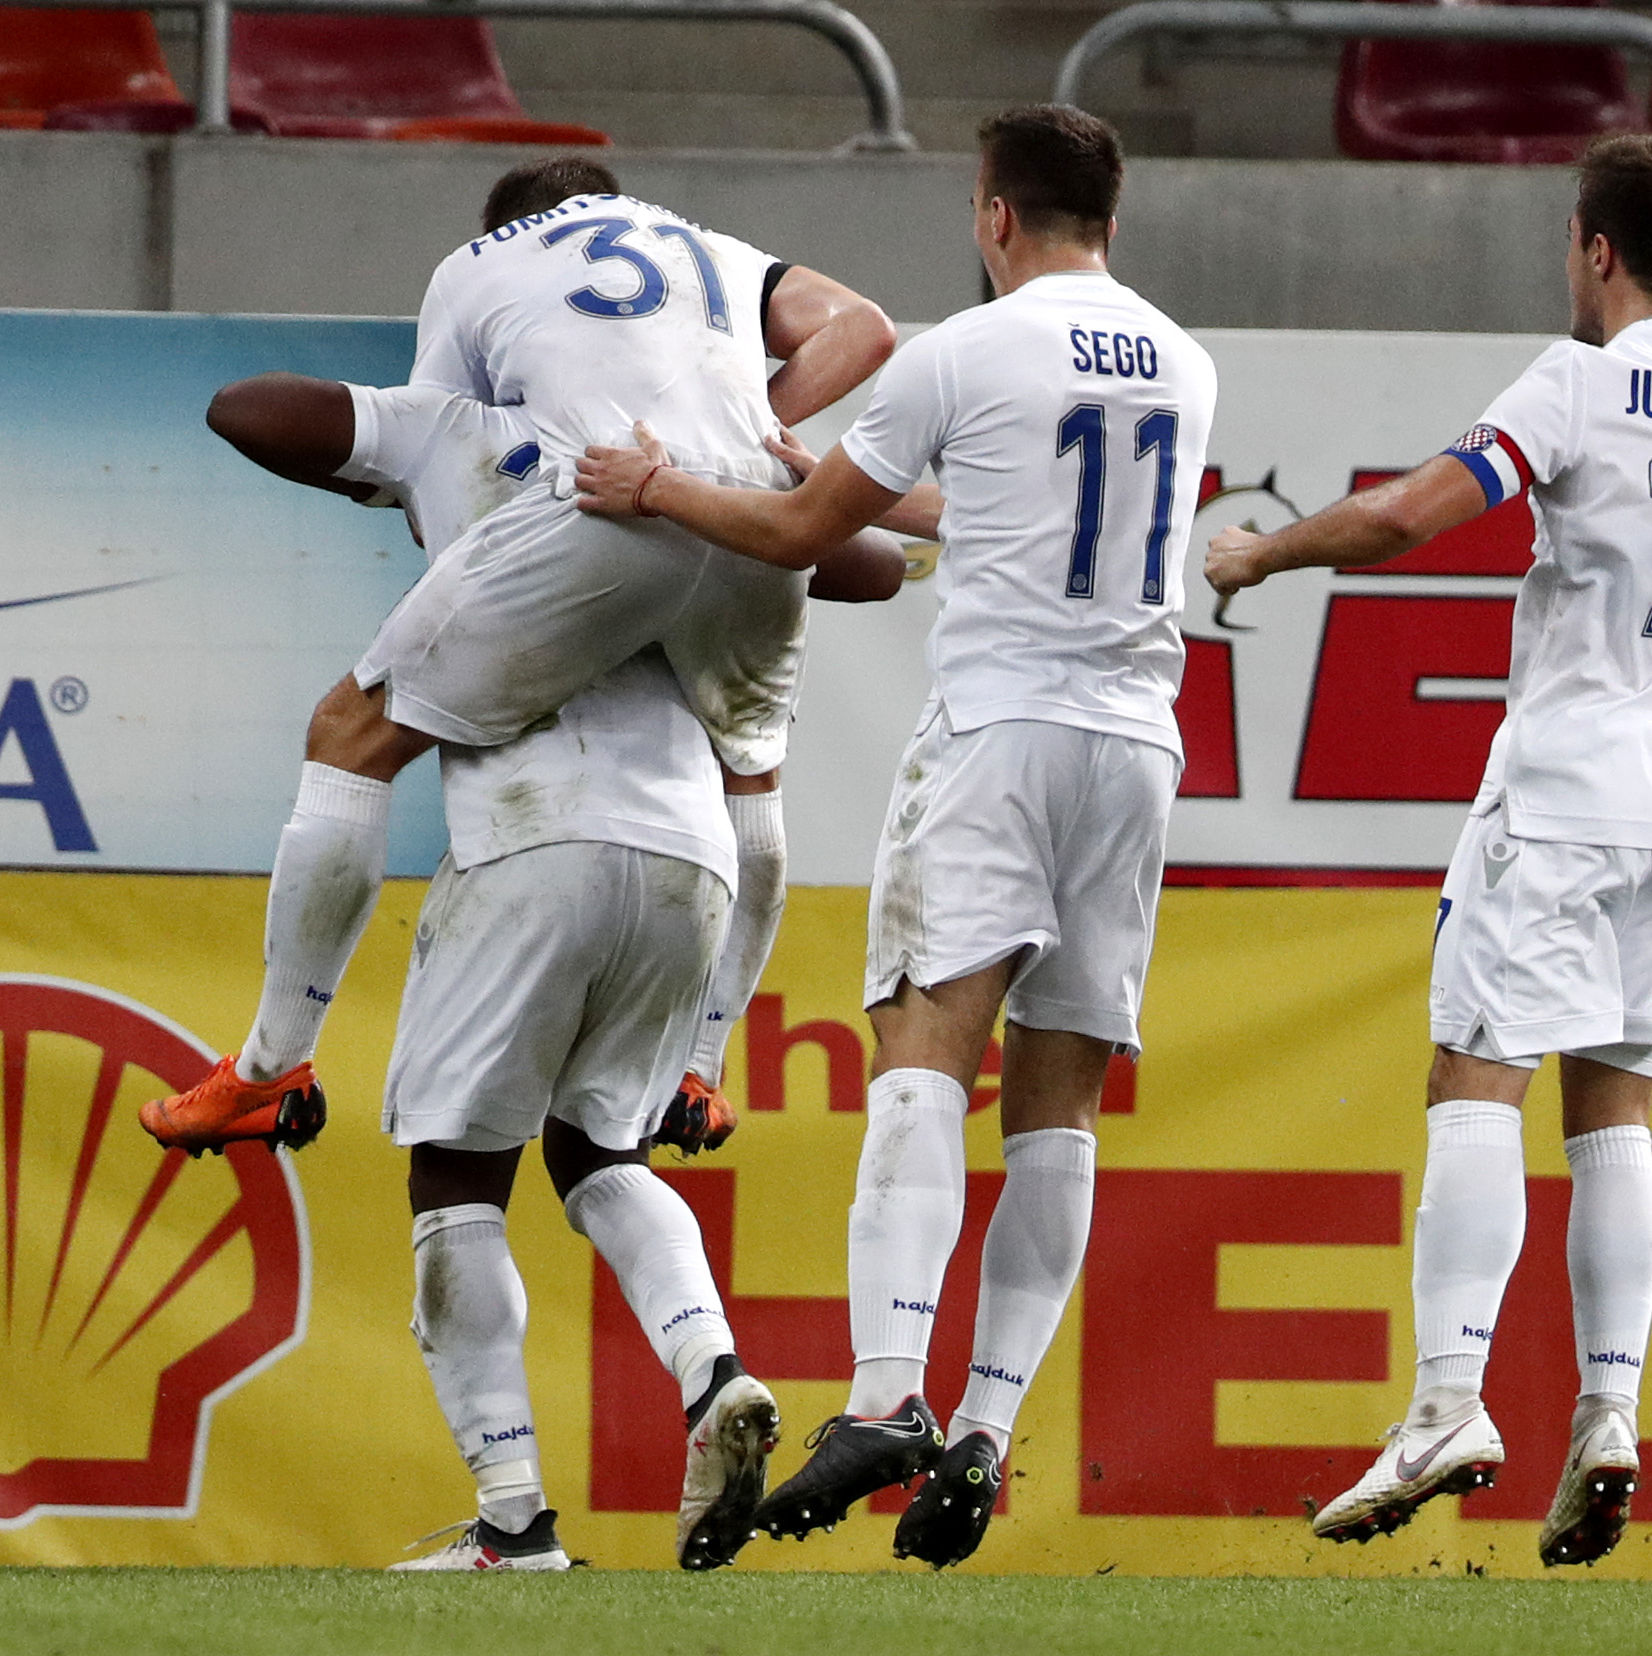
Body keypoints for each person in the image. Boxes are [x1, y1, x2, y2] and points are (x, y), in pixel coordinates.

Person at [1205, 134, 1652, 1568]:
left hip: (1570, 790)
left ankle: (1449, 1399)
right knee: (1615, 1106)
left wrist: (1258, 554)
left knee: (1476, 1076)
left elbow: (1405, 514)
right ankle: (1609, 1413)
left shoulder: (1582, 378)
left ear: (1594, 248)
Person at [577, 104, 1218, 1569]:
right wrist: (823, 473)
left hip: (1000, 732)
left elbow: (809, 536)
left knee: (926, 1045)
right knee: (1059, 1101)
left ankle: (883, 1398)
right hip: (1135, 747)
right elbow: (1008, 501)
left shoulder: (962, 350)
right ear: (1106, 220)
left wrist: (661, 485)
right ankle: (984, 1432)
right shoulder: (1184, 360)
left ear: (995, 216)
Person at [182, 369, 904, 1572]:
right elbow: (873, 563)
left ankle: (513, 1522)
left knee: (459, 1176)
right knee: (596, 1150)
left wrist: (421, 442)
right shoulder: (691, 448)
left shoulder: (472, 415)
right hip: (691, 852)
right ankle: (712, 1368)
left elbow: (244, 409)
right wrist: (761, 471)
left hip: (531, 834)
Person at [139, 156, 896, 1158]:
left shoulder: (478, 264)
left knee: (350, 734)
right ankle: (702, 1072)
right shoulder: (709, 250)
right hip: (751, 502)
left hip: (595, 518)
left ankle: (273, 1065)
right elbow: (866, 341)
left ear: (508, 227)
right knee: (752, 772)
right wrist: (751, 436)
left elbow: (435, 433)